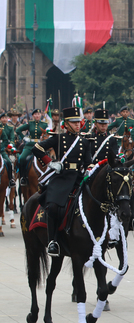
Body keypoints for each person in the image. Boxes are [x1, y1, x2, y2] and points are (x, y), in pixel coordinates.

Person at [32, 107, 92, 256]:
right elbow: (37, 148)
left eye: (79, 122)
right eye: (74, 122)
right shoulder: (58, 139)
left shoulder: (84, 142)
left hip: (77, 178)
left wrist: (89, 170)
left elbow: (89, 161)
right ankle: (52, 241)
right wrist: (50, 162)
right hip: (62, 176)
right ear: (67, 123)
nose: (78, 125)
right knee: (52, 206)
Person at [16, 108, 48, 186]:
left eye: (39, 114)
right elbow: (18, 130)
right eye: (35, 114)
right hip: (30, 145)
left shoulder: (44, 124)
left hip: (41, 145)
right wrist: (24, 137)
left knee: (49, 160)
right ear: (33, 115)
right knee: (22, 158)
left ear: (41, 115)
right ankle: (23, 177)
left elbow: (48, 133)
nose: (37, 115)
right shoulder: (30, 123)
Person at [0, 112, 17, 187]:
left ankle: (10, 179)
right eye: (3, 118)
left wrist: (9, 146)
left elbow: (8, 139)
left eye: (6, 118)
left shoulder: (10, 128)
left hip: (3, 149)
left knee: (9, 162)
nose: (4, 119)